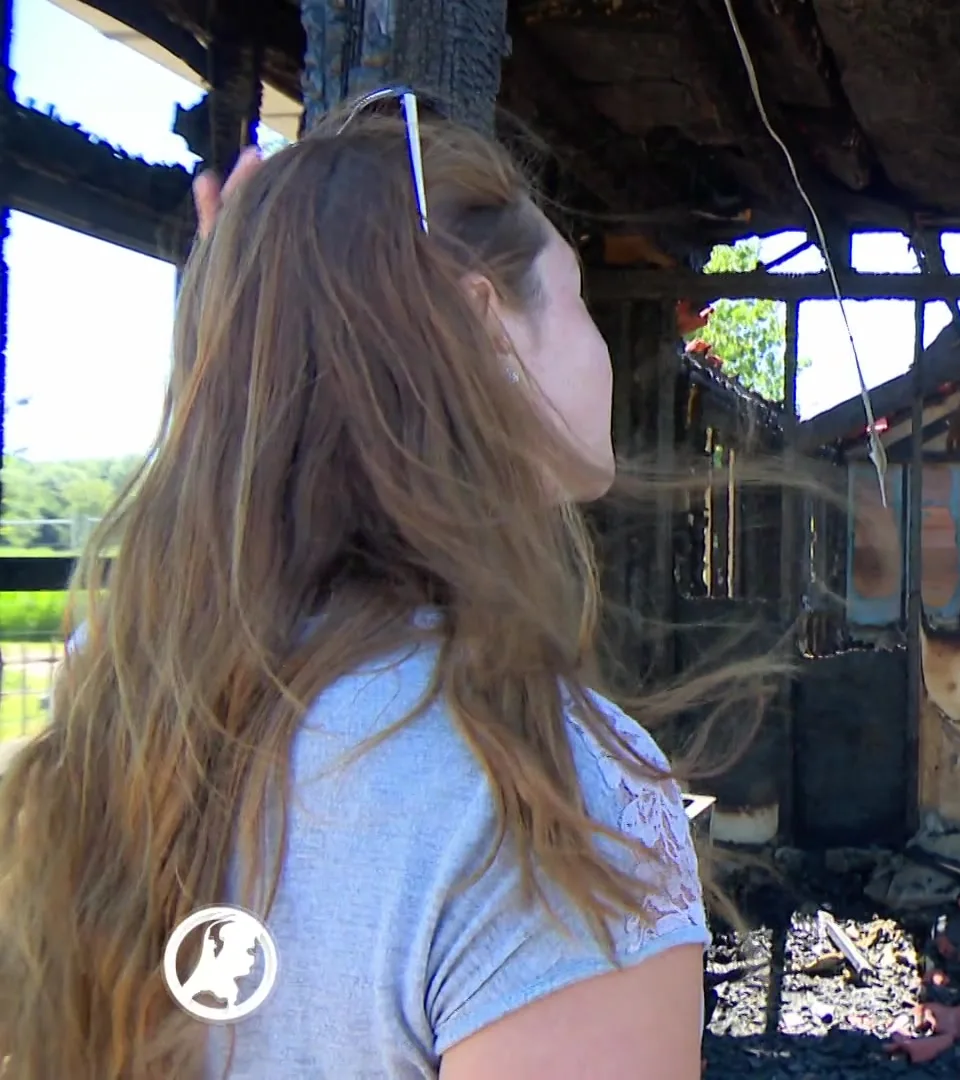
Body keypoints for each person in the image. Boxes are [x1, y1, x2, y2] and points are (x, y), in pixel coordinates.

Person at [0, 92, 762, 1079]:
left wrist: (246, 349)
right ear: (490, 325)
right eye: (573, 297)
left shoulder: (122, 711)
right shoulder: (555, 806)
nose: (606, 349)